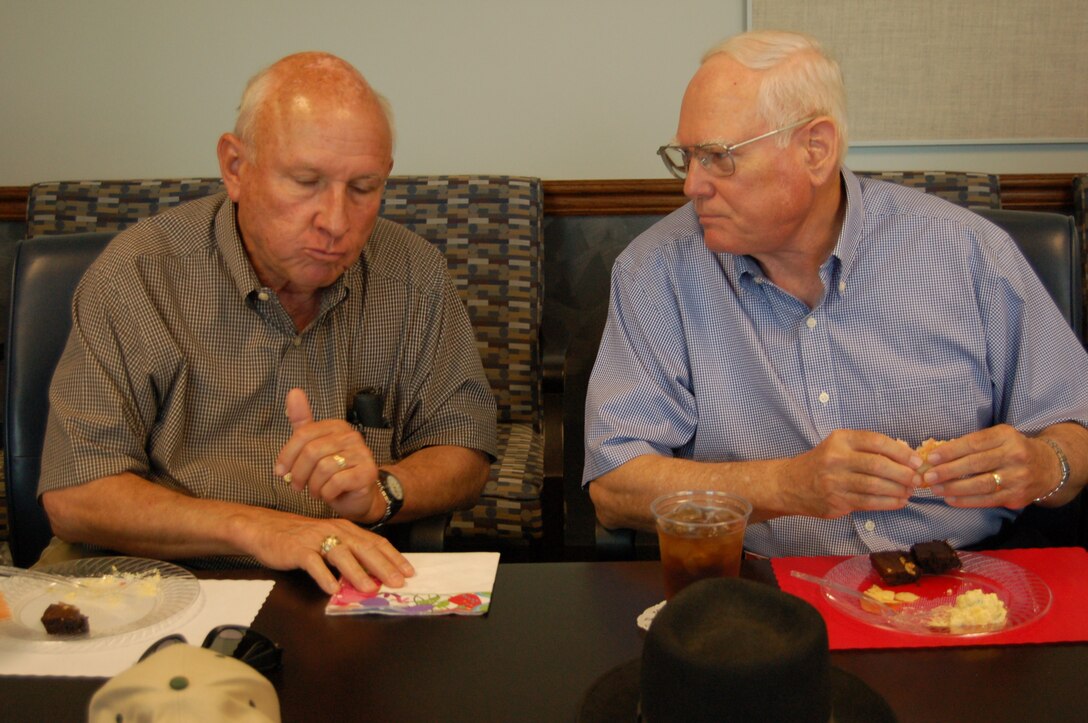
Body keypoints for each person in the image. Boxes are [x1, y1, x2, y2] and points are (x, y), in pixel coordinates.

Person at [584, 30, 1088, 556]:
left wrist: (1045, 465)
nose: (692, 185)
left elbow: (1076, 424)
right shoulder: (657, 269)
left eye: (717, 157)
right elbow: (614, 487)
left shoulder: (970, 253)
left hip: (963, 588)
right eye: (684, 157)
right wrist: (787, 486)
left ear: (815, 149)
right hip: (760, 594)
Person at [38, 52, 497, 594]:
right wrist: (259, 529)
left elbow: (464, 448)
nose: (335, 222)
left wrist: (383, 490)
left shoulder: (414, 274)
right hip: (153, 583)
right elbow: (75, 495)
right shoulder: (138, 275)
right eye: (305, 181)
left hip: (338, 583)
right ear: (235, 167)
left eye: (363, 188)